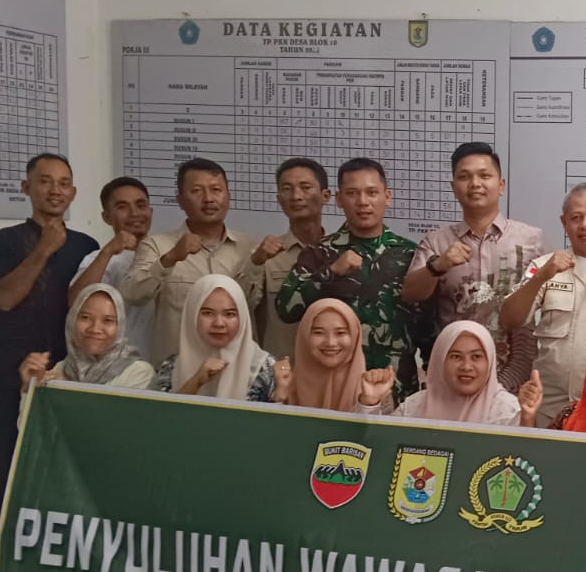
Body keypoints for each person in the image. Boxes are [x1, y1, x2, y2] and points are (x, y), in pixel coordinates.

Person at [0, 152, 99, 540]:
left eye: (64, 183)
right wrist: (44, 249)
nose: (55, 191)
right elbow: (4, 298)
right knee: (11, 469)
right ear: (26, 187)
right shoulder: (3, 241)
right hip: (13, 373)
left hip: (70, 373)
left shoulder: (86, 245)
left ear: (74, 192)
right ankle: (3, 560)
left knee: (67, 472)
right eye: (45, 181)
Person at [402, 142, 543, 392]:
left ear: (501, 185)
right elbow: (410, 293)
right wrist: (438, 265)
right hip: (453, 379)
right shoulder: (437, 242)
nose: (475, 183)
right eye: (464, 177)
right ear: (453, 188)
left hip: (515, 380)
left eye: (484, 176)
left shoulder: (532, 241)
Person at [276, 157, 420, 400]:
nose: (362, 202)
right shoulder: (319, 252)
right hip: (335, 389)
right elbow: (286, 308)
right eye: (352, 193)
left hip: (396, 386)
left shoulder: (409, 254)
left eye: (371, 192)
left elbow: (426, 323)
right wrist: (331, 272)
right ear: (339, 199)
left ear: (387, 197)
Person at [498, 182, 586, 426]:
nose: (585, 225)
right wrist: (541, 277)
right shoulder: (543, 267)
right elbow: (509, 320)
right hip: (547, 409)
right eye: (576, 217)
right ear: (564, 222)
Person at [122, 158, 256, 362]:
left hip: (237, 368)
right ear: (180, 201)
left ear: (228, 196)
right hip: (178, 370)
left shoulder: (250, 248)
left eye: (216, 190)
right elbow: (132, 294)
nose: (208, 199)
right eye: (197, 191)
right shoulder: (157, 246)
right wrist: (170, 259)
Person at [152, 274, 285, 404]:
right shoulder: (172, 367)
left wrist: (282, 393)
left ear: (242, 317)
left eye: (229, 314)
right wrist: (195, 382)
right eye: (207, 313)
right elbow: (159, 416)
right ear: (192, 315)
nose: (219, 323)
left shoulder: (265, 367)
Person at [249, 157, 331, 361]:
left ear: (326, 196)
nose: (296, 196)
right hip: (282, 370)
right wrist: (256, 262)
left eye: (306, 187)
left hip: (332, 368)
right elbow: (242, 307)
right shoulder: (265, 255)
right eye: (287, 189)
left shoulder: (341, 252)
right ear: (279, 200)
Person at [388, 321, 542, 426]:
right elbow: (383, 447)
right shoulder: (412, 408)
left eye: (476, 357)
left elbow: (524, 458)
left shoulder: (509, 412)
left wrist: (527, 419)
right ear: (440, 360)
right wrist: (374, 402)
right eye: (456, 357)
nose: (466, 366)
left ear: (490, 362)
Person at [68, 176, 155, 362]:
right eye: (122, 207)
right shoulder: (98, 259)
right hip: (115, 367)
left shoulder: (167, 254)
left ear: (150, 211)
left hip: (162, 364)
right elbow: (75, 303)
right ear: (106, 217)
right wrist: (108, 251)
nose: (134, 213)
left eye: (141, 205)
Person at [19, 285, 153, 392]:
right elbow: (35, 418)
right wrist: (30, 388)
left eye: (108, 320)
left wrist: (64, 391)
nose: (95, 329)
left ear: (120, 325)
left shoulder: (138, 372)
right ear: (72, 320)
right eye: (85, 318)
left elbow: (115, 417)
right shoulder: (63, 368)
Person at [285, 298, 397, 414]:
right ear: (304, 336)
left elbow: (378, 426)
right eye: (318, 332)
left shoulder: (378, 391)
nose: (330, 343)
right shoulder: (284, 385)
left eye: (340, 333)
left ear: (355, 336)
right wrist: (278, 397)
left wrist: (369, 403)